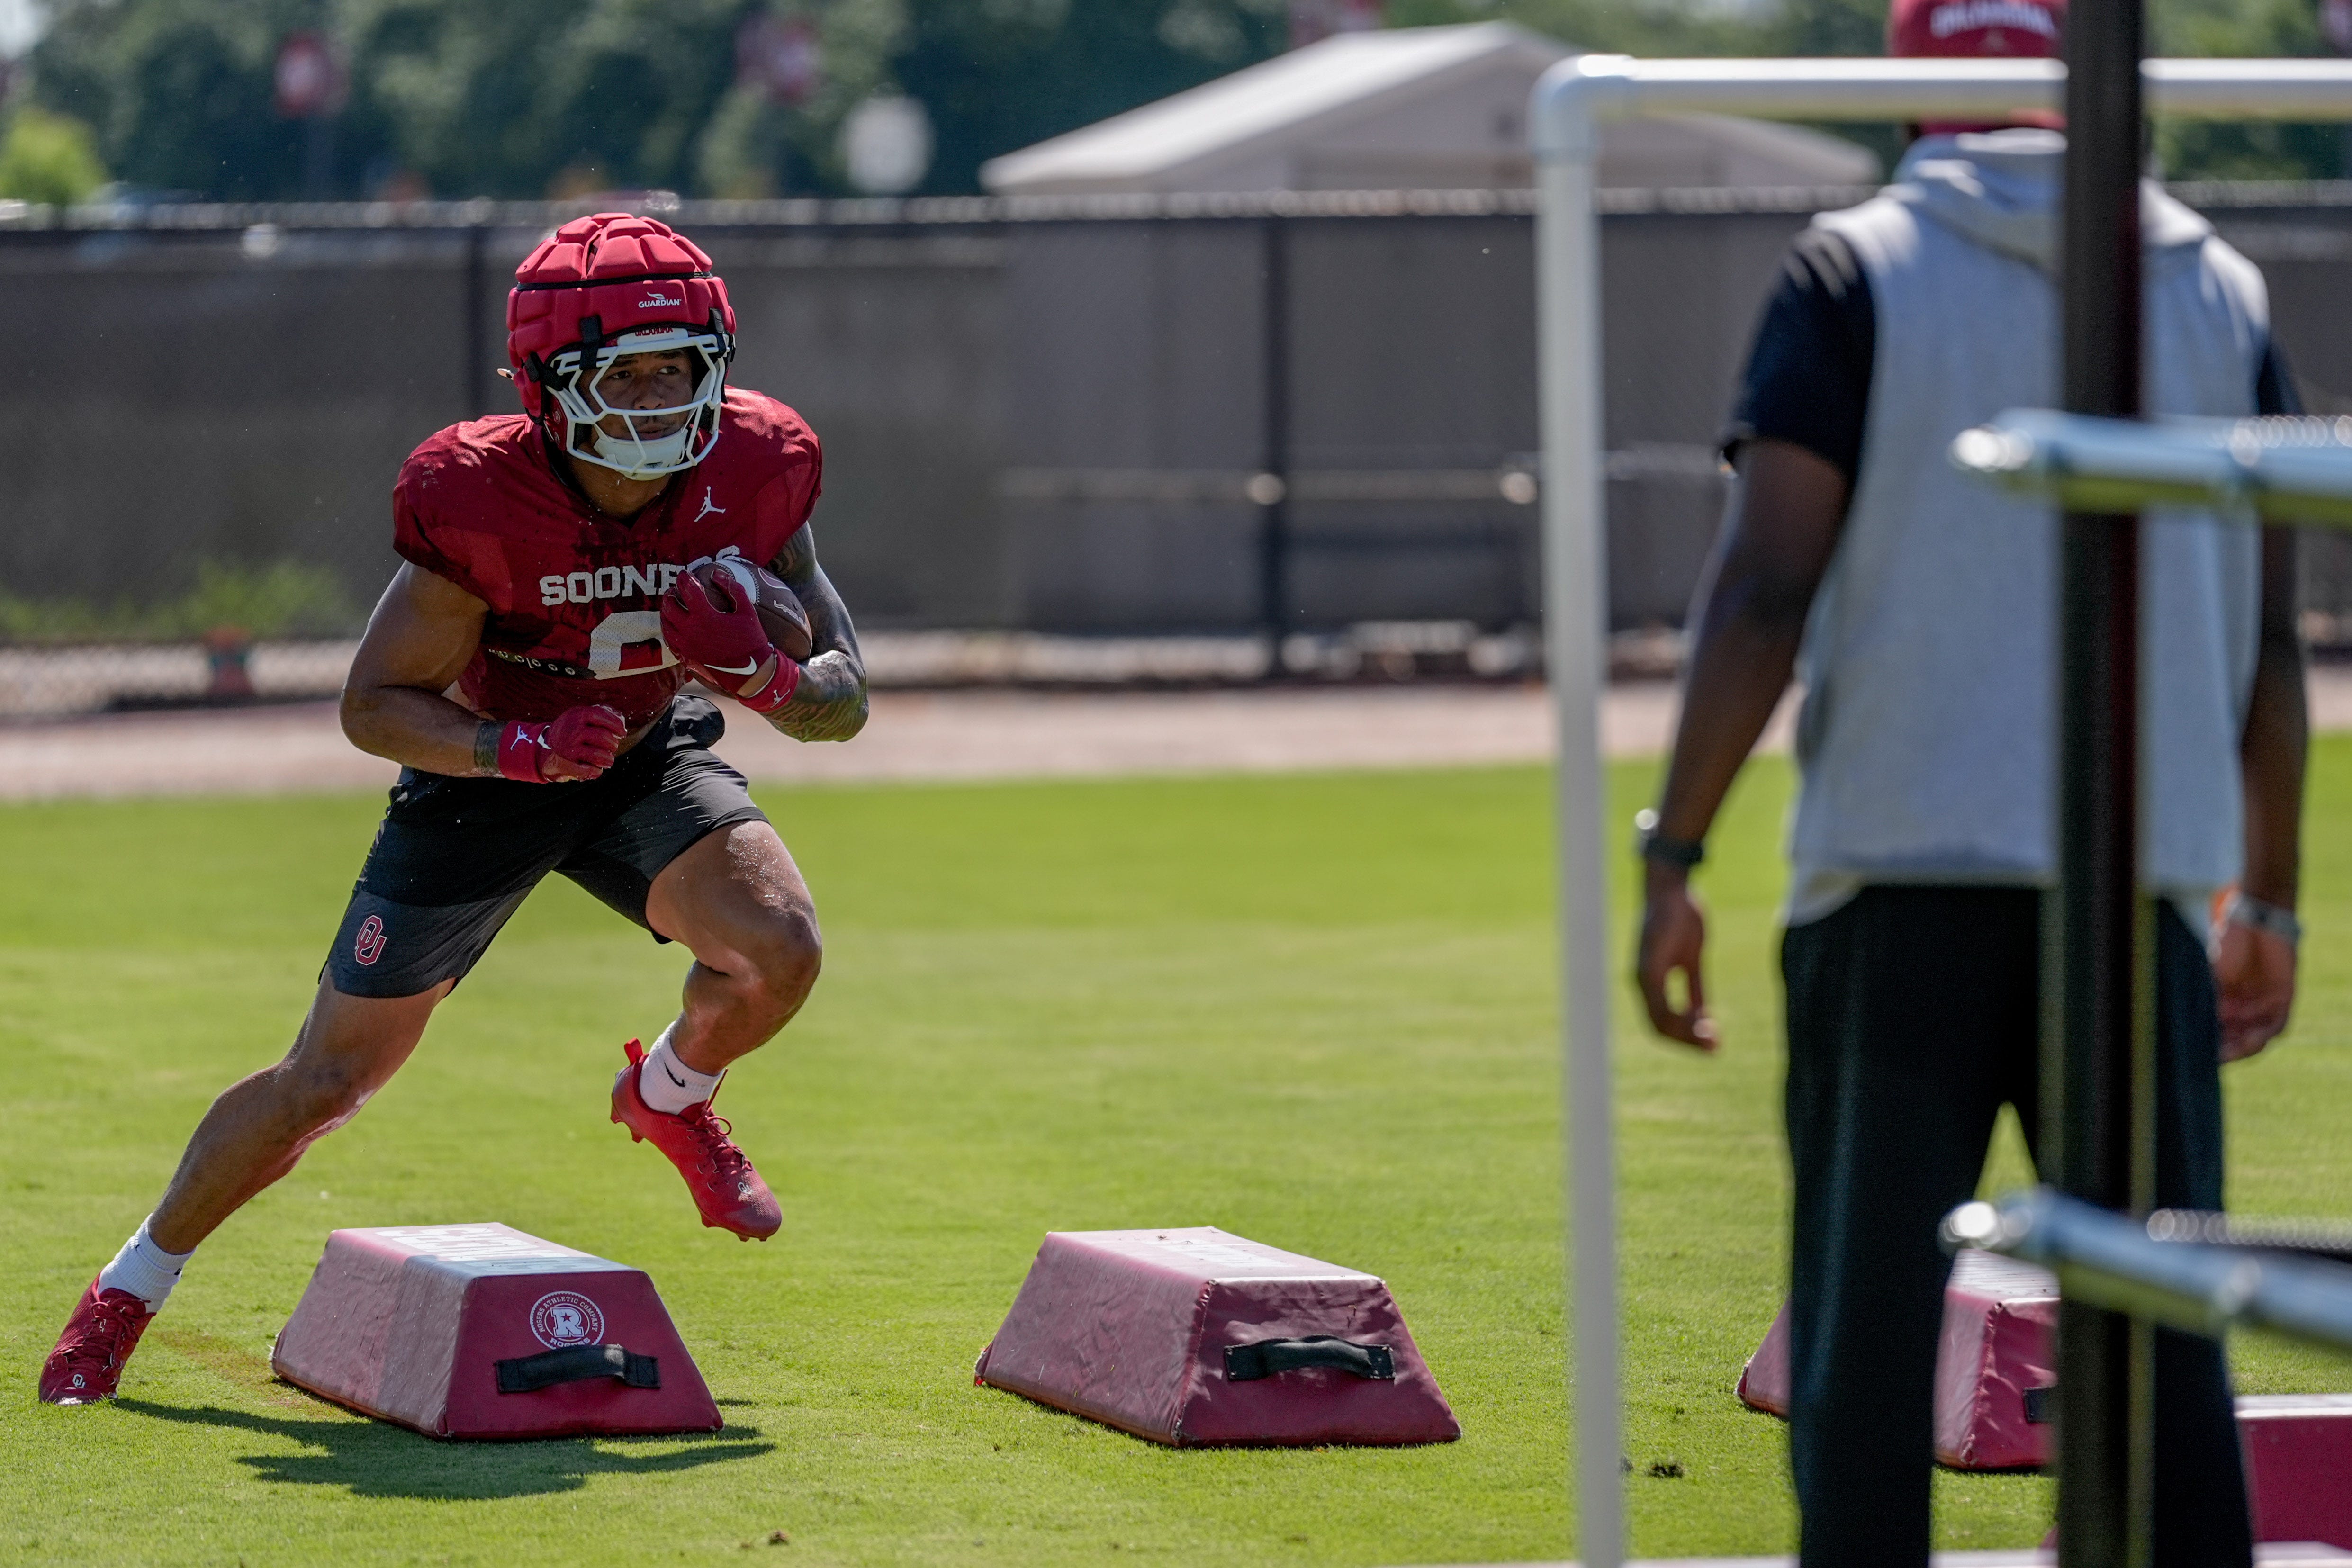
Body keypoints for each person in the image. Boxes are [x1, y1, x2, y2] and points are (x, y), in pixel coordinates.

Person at [1629, 0, 2307, 1560]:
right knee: (2159, 1338)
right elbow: (2270, 640)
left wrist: (1675, 856)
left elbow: (1758, 590)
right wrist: (2262, 889)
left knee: (1864, 1344)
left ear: (1904, 85)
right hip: (2136, 886)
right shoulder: (2214, 284)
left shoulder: (1852, 269)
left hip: (1900, 876)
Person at [40, 213, 870, 1406]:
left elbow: (844, 697)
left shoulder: (759, 464)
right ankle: (127, 1289)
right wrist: (511, 745)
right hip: (486, 774)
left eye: (674, 365)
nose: (652, 394)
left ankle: (670, 1096)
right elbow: (374, 701)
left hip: (641, 749)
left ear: (716, 359)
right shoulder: (477, 492)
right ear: (545, 385)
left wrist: (774, 682)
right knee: (327, 1079)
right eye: (621, 371)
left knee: (779, 949)